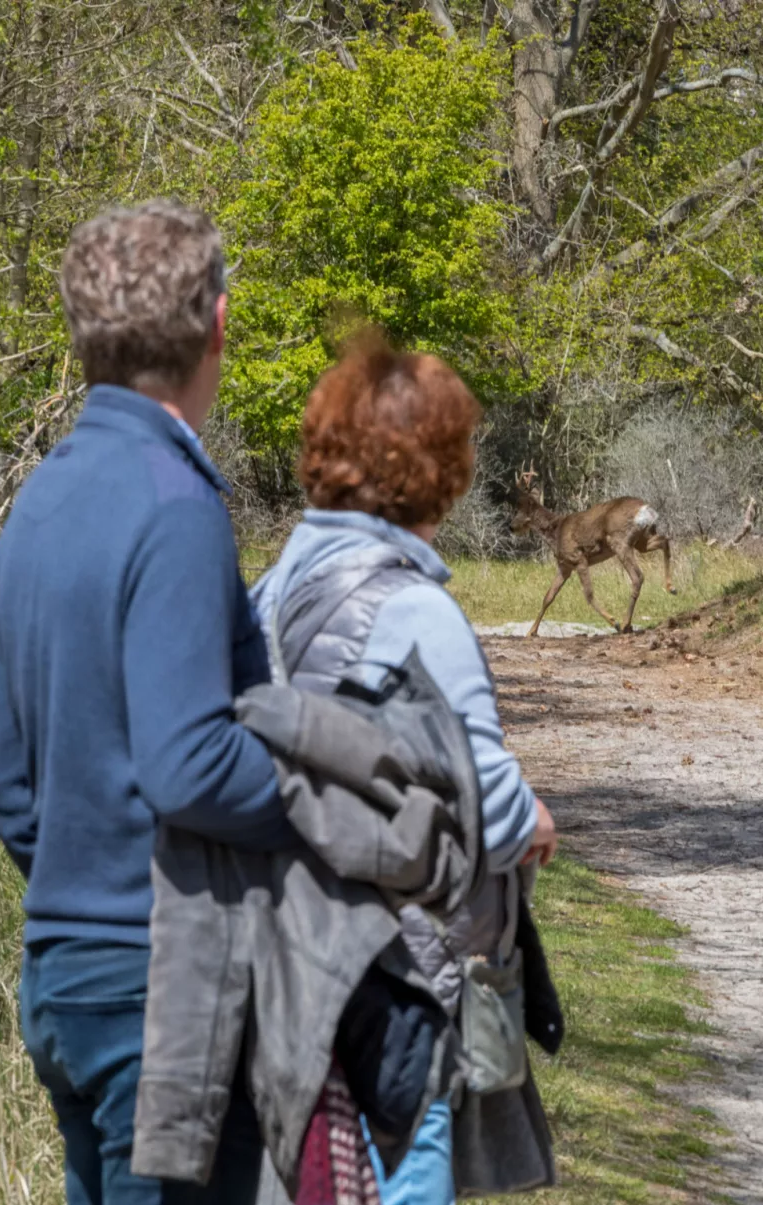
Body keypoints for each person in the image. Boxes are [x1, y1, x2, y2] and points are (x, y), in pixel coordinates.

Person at [0, 200, 287, 1205]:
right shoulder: (176, 503)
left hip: (64, 982)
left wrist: (84, 883)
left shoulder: (42, 498)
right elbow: (187, 760)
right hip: (165, 992)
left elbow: (12, 792)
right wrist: (318, 786)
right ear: (219, 325)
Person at [253, 332, 559, 1204]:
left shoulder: (272, 589)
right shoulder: (415, 606)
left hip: (291, 970)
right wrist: (538, 820)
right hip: (401, 985)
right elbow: (492, 807)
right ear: (437, 470)